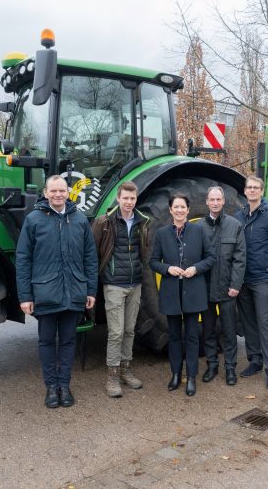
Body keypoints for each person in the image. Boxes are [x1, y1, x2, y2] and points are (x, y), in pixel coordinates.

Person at [16, 175, 98, 408]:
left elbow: (90, 258)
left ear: (68, 192)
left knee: (69, 341)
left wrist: (90, 290)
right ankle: (51, 387)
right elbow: (23, 260)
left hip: (74, 292)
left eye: (62, 191)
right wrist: (25, 296)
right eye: (53, 191)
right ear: (45, 193)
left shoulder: (80, 220)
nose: (58, 195)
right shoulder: (33, 220)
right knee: (47, 341)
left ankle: (64, 385)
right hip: (46, 293)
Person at [150, 194, 215, 397]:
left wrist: (196, 268)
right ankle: (176, 374)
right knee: (175, 336)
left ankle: (192, 377)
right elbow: (153, 261)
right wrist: (167, 268)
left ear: (188, 210)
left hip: (193, 291)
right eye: (175, 207)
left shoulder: (199, 230)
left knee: (192, 336)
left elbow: (211, 257)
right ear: (170, 210)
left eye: (182, 207)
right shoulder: (161, 234)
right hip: (171, 291)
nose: (179, 210)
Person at [91, 181, 150, 398]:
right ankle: (112, 376)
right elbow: (93, 252)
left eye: (132, 198)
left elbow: (145, 251)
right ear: (118, 198)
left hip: (135, 283)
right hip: (114, 284)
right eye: (125, 198)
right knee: (115, 332)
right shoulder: (104, 222)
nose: (128, 202)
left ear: (136, 199)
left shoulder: (142, 222)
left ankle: (126, 370)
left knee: (129, 330)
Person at [234, 175, 268, 390]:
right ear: (245, 192)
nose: (253, 190)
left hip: (262, 278)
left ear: (261, 192)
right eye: (249, 187)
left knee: (264, 322)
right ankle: (254, 360)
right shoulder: (238, 217)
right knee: (248, 322)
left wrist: (267, 266)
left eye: (256, 187)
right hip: (243, 278)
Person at [196, 186, 246, 386]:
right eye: (212, 199)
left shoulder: (234, 225)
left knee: (228, 329)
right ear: (207, 202)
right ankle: (212, 365)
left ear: (223, 201)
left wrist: (235, 285)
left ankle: (230, 368)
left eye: (218, 199)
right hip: (205, 288)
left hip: (227, 288)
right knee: (208, 330)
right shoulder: (198, 227)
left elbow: (240, 259)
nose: (215, 203)